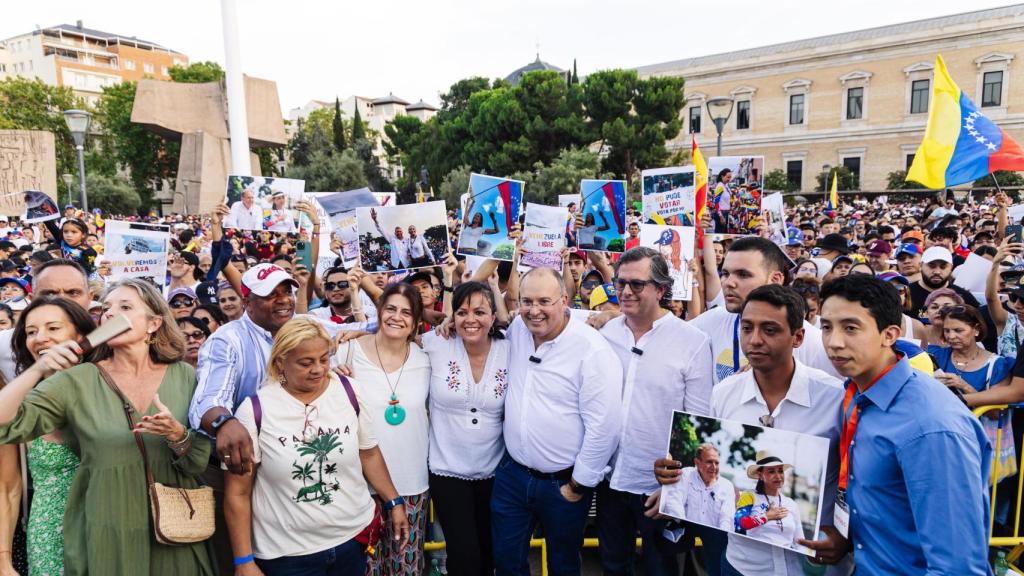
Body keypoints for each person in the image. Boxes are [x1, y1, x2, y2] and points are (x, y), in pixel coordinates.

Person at [0, 278, 216, 574]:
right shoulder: (77, 381)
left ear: (153, 324)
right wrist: (39, 368)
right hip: (107, 531)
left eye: (125, 306)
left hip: (175, 528)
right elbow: (6, 425)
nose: (110, 314)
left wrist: (178, 435)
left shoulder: (186, 376)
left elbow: (198, 461)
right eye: (106, 308)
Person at [656, 284, 848, 575]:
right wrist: (674, 477)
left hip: (814, 565)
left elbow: (856, 482)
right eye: (747, 328)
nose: (754, 340)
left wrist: (846, 535)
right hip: (743, 564)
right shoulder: (724, 394)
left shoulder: (834, 398)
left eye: (769, 330)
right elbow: (709, 474)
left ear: (798, 337)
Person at [819, 273, 991, 574]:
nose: (834, 343)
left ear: (890, 334)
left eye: (851, 328)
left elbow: (957, 565)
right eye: (826, 327)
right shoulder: (857, 393)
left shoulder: (932, 426)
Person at [225, 317, 408, 576]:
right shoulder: (255, 410)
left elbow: (368, 453)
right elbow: (238, 492)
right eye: (306, 362)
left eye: (324, 359)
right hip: (287, 555)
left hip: (352, 539)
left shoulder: (349, 391)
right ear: (280, 362)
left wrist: (393, 501)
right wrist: (243, 561)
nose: (319, 369)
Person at [492, 267, 622, 576]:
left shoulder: (592, 349)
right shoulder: (518, 331)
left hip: (563, 485)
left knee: (564, 566)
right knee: (507, 563)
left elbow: (604, 427)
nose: (534, 311)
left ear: (564, 300)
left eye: (544, 301)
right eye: (526, 301)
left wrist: (577, 485)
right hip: (513, 476)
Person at [597, 247, 714, 576]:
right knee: (612, 566)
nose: (625, 291)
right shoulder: (606, 334)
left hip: (661, 488)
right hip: (609, 479)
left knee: (662, 570)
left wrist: (676, 490)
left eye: (637, 284)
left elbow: (698, 422)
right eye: (620, 284)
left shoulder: (693, 341)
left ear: (662, 290)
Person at [334, 283, 431, 576]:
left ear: (415, 322)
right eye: (390, 308)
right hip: (359, 485)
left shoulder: (427, 357)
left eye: (406, 312)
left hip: (411, 483)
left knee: (405, 567)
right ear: (379, 311)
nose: (396, 317)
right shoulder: (345, 352)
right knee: (364, 569)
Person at [421, 281, 510, 576]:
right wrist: (356, 333)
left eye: (480, 312)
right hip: (448, 472)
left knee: (489, 552)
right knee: (464, 556)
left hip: (495, 474)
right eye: (462, 312)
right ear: (452, 316)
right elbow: (389, 338)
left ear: (494, 317)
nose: (470, 319)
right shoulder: (435, 343)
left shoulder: (511, 347)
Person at [3, 297, 95, 576]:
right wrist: (3, 561)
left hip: (108, 527)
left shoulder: (110, 386)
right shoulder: (18, 401)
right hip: (49, 538)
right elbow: (7, 489)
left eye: (53, 328)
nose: (40, 338)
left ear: (81, 335)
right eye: (31, 332)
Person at [691, 236, 837, 384]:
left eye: (743, 274)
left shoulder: (814, 342)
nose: (729, 283)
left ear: (775, 279)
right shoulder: (711, 322)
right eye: (726, 274)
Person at [931, 305, 1019, 407]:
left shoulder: (997, 366)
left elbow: (995, 414)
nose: (951, 336)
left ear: (976, 329)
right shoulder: (936, 355)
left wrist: (964, 386)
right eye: (947, 331)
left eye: (958, 330)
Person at [655, 444, 734, 532]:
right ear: (697, 463)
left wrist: (720, 534)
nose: (714, 467)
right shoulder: (686, 474)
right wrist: (687, 528)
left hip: (713, 538)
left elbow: (727, 518)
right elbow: (674, 502)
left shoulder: (727, 486)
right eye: (709, 462)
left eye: (717, 463)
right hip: (684, 534)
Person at [734, 452, 804, 550]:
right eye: (771, 471)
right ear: (760, 475)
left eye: (780, 471)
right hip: (754, 558)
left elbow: (799, 541)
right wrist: (767, 516)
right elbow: (740, 524)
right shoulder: (749, 496)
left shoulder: (792, 504)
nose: (778, 476)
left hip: (784, 561)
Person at [987, 240, 1024, 357]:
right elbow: (991, 298)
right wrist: (995, 263)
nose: (1017, 305)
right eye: (1014, 297)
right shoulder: (1008, 322)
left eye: (1023, 300)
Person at [876, 272, 928, 347]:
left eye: (900, 289)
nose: (894, 294)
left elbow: (924, 357)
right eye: (887, 289)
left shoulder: (916, 327)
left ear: (906, 295)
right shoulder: (867, 324)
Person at [713, 168, 733, 233]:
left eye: (730, 177)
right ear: (722, 176)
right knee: (720, 234)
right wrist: (721, 216)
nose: (729, 179)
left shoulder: (725, 186)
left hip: (725, 213)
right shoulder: (720, 186)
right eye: (728, 177)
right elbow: (716, 203)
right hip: (721, 214)